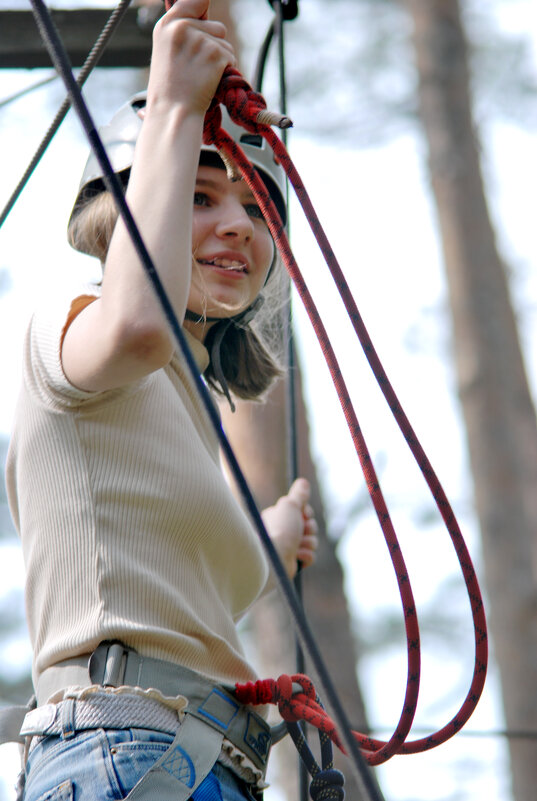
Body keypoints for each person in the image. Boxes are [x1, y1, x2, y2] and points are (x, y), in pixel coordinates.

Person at [4, 1, 318, 798]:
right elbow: (139, 325)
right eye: (201, 196)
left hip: (200, 757)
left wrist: (269, 543)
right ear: (129, 202)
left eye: (255, 208)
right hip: (123, 746)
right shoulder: (73, 332)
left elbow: (171, 589)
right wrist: (175, 104)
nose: (239, 227)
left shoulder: (180, 403)